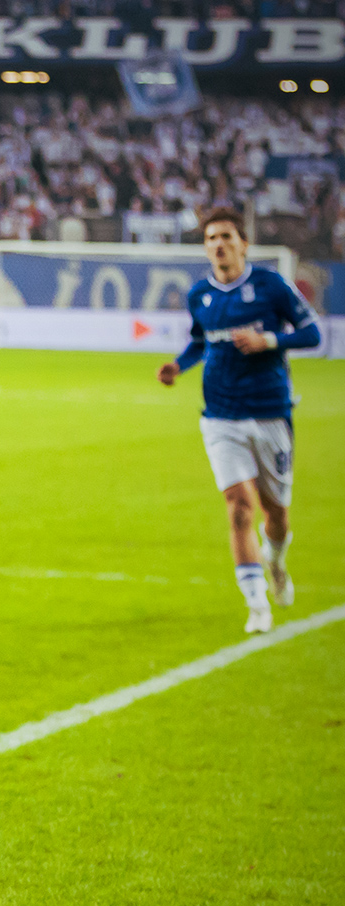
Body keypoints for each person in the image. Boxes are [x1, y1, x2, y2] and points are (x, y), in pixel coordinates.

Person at [155, 206, 320, 633]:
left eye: (226, 236)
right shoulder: (200, 295)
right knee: (239, 507)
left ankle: (276, 561)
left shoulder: (271, 286)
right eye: (211, 238)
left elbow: (312, 333)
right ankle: (256, 604)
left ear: (243, 244)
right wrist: (178, 366)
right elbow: (200, 343)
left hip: (270, 414)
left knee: (275, 514)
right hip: (220, 416)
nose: (219, 244)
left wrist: (268, 340)